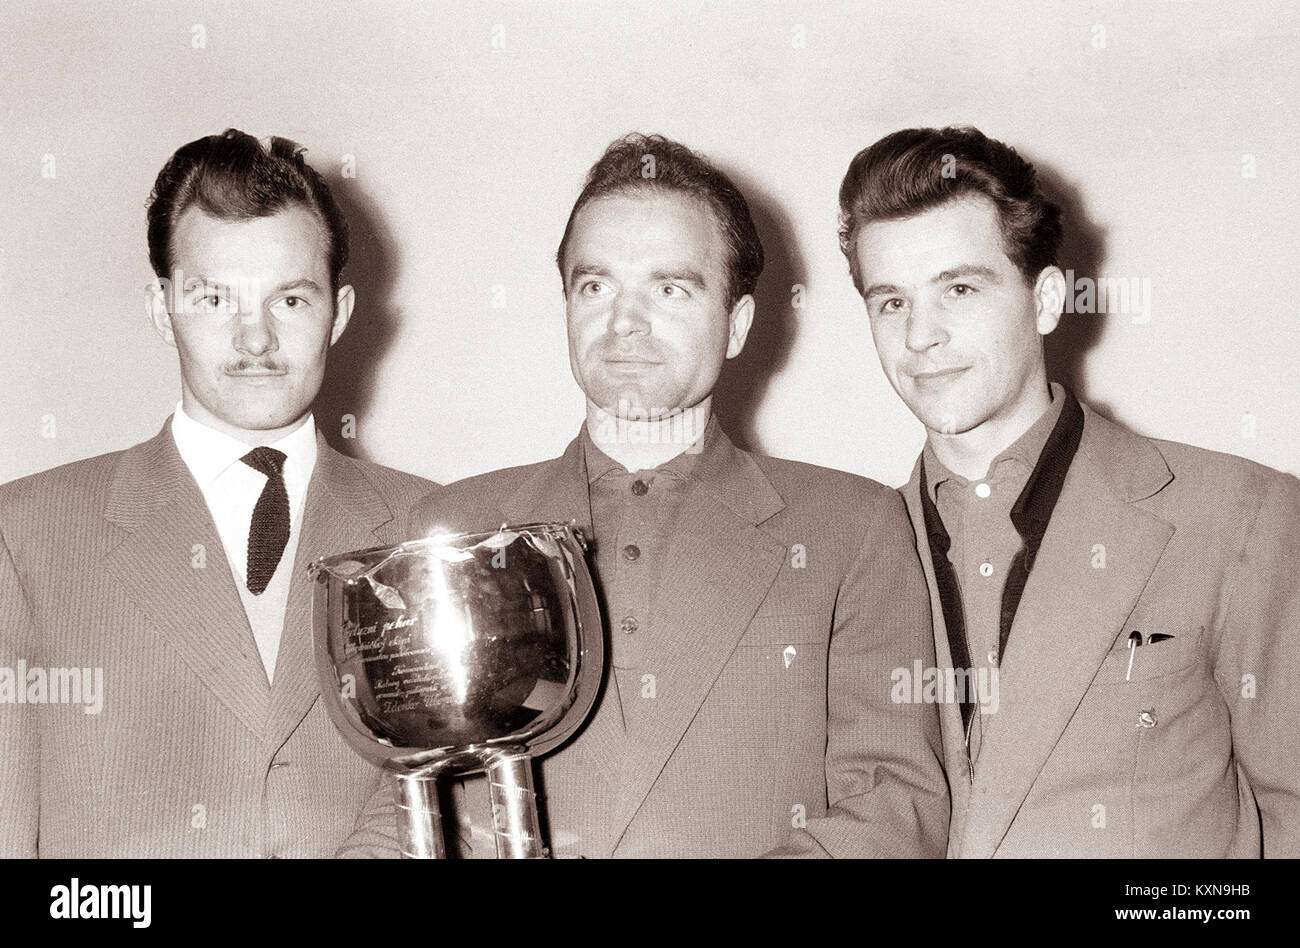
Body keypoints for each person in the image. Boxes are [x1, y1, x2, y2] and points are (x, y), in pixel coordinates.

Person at [339, 133, 948, 858]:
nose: (625, 322)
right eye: (596, 286)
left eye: (669, 288)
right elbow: (403, 801)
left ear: (738, 324)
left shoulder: (854, 528)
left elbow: (892, 807)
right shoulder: (450, 525)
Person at [838, 125, 1300, 857]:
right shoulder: (843, 552)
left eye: (959, 288)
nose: (920, 335)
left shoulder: (1241, 517)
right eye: (890, 302)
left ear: (1047, 298)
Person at [0, 129, 435, 857]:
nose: (255, 339)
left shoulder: (429, 527)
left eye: (290, 299)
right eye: (213, 299)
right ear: (160, 308)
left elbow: (451, 802)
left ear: (342, 311)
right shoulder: (24, 536)